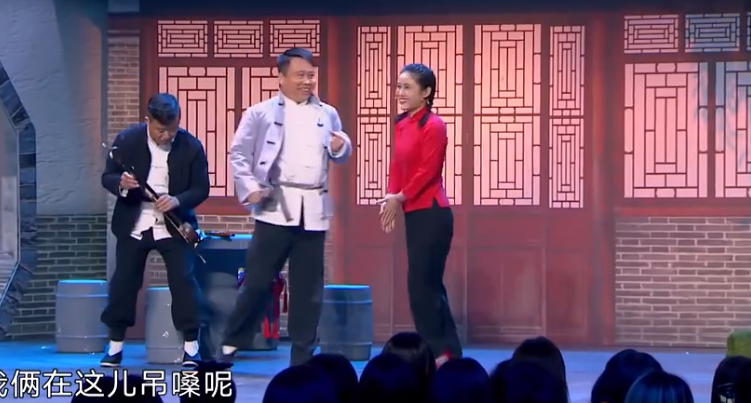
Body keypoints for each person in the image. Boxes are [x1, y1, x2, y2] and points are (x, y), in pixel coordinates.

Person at [221, 47, 352, 366]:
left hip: (313, 210)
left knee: (309, 290)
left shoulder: (327, 113)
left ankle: (302, 356)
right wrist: (250, 188)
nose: (307, 81)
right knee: (257, 281)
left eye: (311, 75)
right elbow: (238, 154)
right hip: (274, 207)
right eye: (299, 75)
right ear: (280, 77)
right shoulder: (260, 113)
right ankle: (229, 344)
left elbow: (340, 151)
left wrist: (341, 147)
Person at [100, 93, 209, 367]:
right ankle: (115, 346)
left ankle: (191, 347)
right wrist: (122, 183)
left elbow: (201, 188)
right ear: (148, 121)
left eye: (172, 129)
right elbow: (107, 176)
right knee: (124, 282)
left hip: (174, 225)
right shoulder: (128, 140)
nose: (167, 135)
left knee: (184, 281)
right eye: (161, 130)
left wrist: (177, 200)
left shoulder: (191, 146)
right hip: (134, 223)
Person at [379, 63, 462, 364]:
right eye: (398, 86)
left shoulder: (434, 126)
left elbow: (428, 171)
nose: (400, 93)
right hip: (415, 214)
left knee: (423, 289)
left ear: (426, 92)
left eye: (407, 87)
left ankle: (438, 354)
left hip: (433, 214)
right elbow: (397, 164)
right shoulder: (402, 123)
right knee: (426, 287)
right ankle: (448, 353)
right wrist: (391, 196)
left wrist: (400, 197)